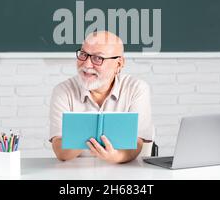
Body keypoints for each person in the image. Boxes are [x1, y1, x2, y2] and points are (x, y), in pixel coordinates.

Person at [49, 31, 153, 164]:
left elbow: (137, 142)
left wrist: (115, 157)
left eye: (98, 58)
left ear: (119, 64)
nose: (86, 65)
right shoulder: (63, 91)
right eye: (83, 54)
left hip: (125, 172)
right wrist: (92, 130)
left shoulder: (136, 89)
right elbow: (60, 151)